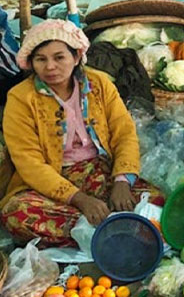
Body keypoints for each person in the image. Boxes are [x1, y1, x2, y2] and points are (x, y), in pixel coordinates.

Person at [0, 20, 162, 247]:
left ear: (76, 57)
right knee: (16, 213)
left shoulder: (100, 84)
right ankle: (115, 229)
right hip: (50, 181)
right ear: (31, 63)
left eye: (59, 57)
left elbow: (123, 133)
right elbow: (30, 163)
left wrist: (122, 181)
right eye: (41, 59)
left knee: (158, 201)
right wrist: (80, 200)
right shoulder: (21, 98)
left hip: (99, 170)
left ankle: (100, 230)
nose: (50, 67)